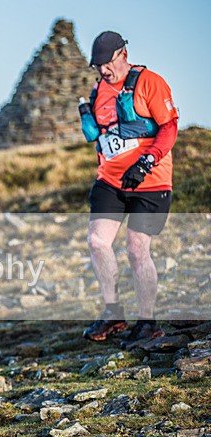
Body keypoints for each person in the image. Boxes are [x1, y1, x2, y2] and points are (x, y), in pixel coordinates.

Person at [81, 31, 179, 346]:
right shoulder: (99, 91)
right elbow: (103, 137)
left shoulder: (150, 82)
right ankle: (113, 312)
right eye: (98, 66)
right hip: (111, 180)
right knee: (97, 242)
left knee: (137, 249)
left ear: (123, 54)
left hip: (150, 180)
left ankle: (148, 322)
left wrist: (147, 161)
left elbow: (169, 126)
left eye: (107, 63)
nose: (103, 71)